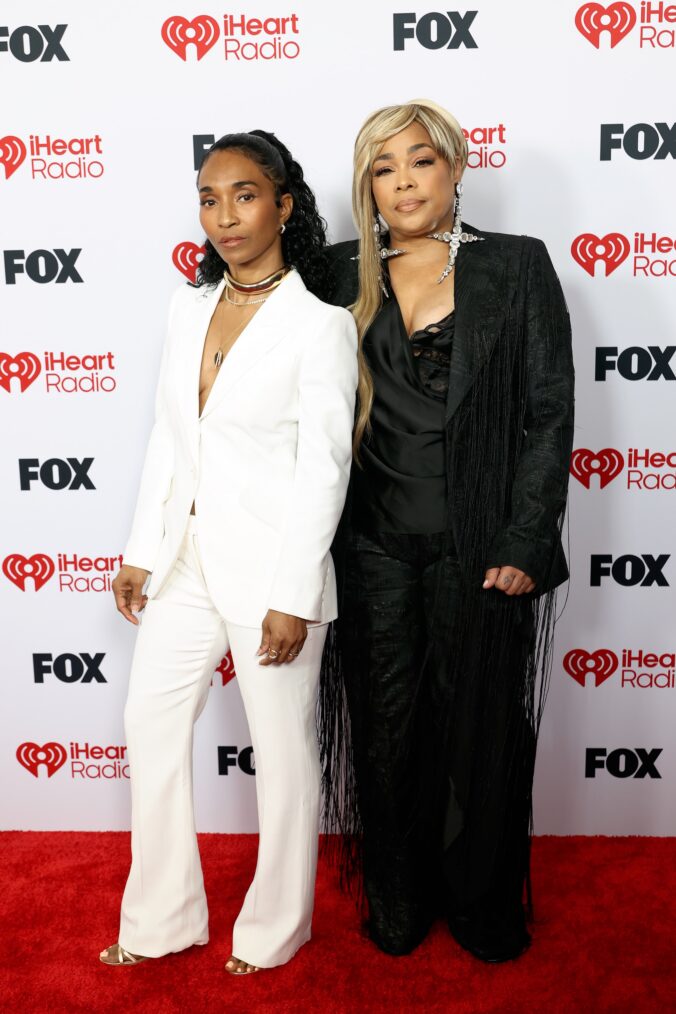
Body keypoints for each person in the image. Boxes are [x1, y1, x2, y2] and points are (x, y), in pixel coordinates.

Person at [318, 100, 574, 963]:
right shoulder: (334, 271)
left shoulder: (516, 266)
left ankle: (484, 906)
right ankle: (398, 898)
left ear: (455, 168)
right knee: (386, 734)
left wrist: (525, 540)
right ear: (367, 185)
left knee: (483, 732)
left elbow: (548, 414)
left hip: (479, 546)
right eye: (382, 169)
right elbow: (240, 285)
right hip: (372, 543)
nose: (402, 184)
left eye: (418, 163)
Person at [99, 131, 358, 974]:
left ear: (284, 203)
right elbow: (171, 441)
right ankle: (163, 917)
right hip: (185, 560)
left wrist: (293, 594)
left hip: (273, 572)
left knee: (282, 752)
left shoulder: (319, 327)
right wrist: (144, 548)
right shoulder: (188, 308)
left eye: (243, 195)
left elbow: (326, 468)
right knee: (150, 721)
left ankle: (276, 928)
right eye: (209, 198)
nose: (224, 215)